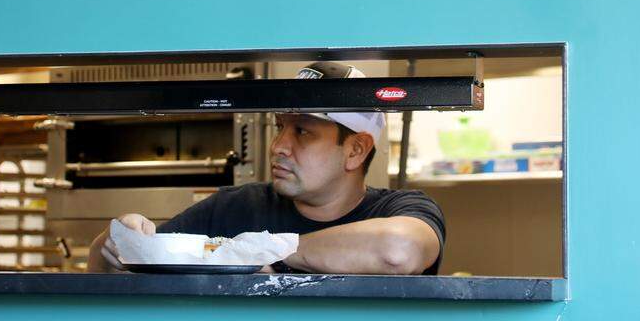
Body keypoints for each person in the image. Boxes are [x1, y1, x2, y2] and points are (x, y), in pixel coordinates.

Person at [87, 62, 445, 275]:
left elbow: (398, 250)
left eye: (302, 132)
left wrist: (261, 252)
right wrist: (117, 241)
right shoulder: (234, 208)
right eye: (280, 127)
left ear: (355, 150)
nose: (278, 146)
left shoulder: (401, 210)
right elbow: (124, 269)